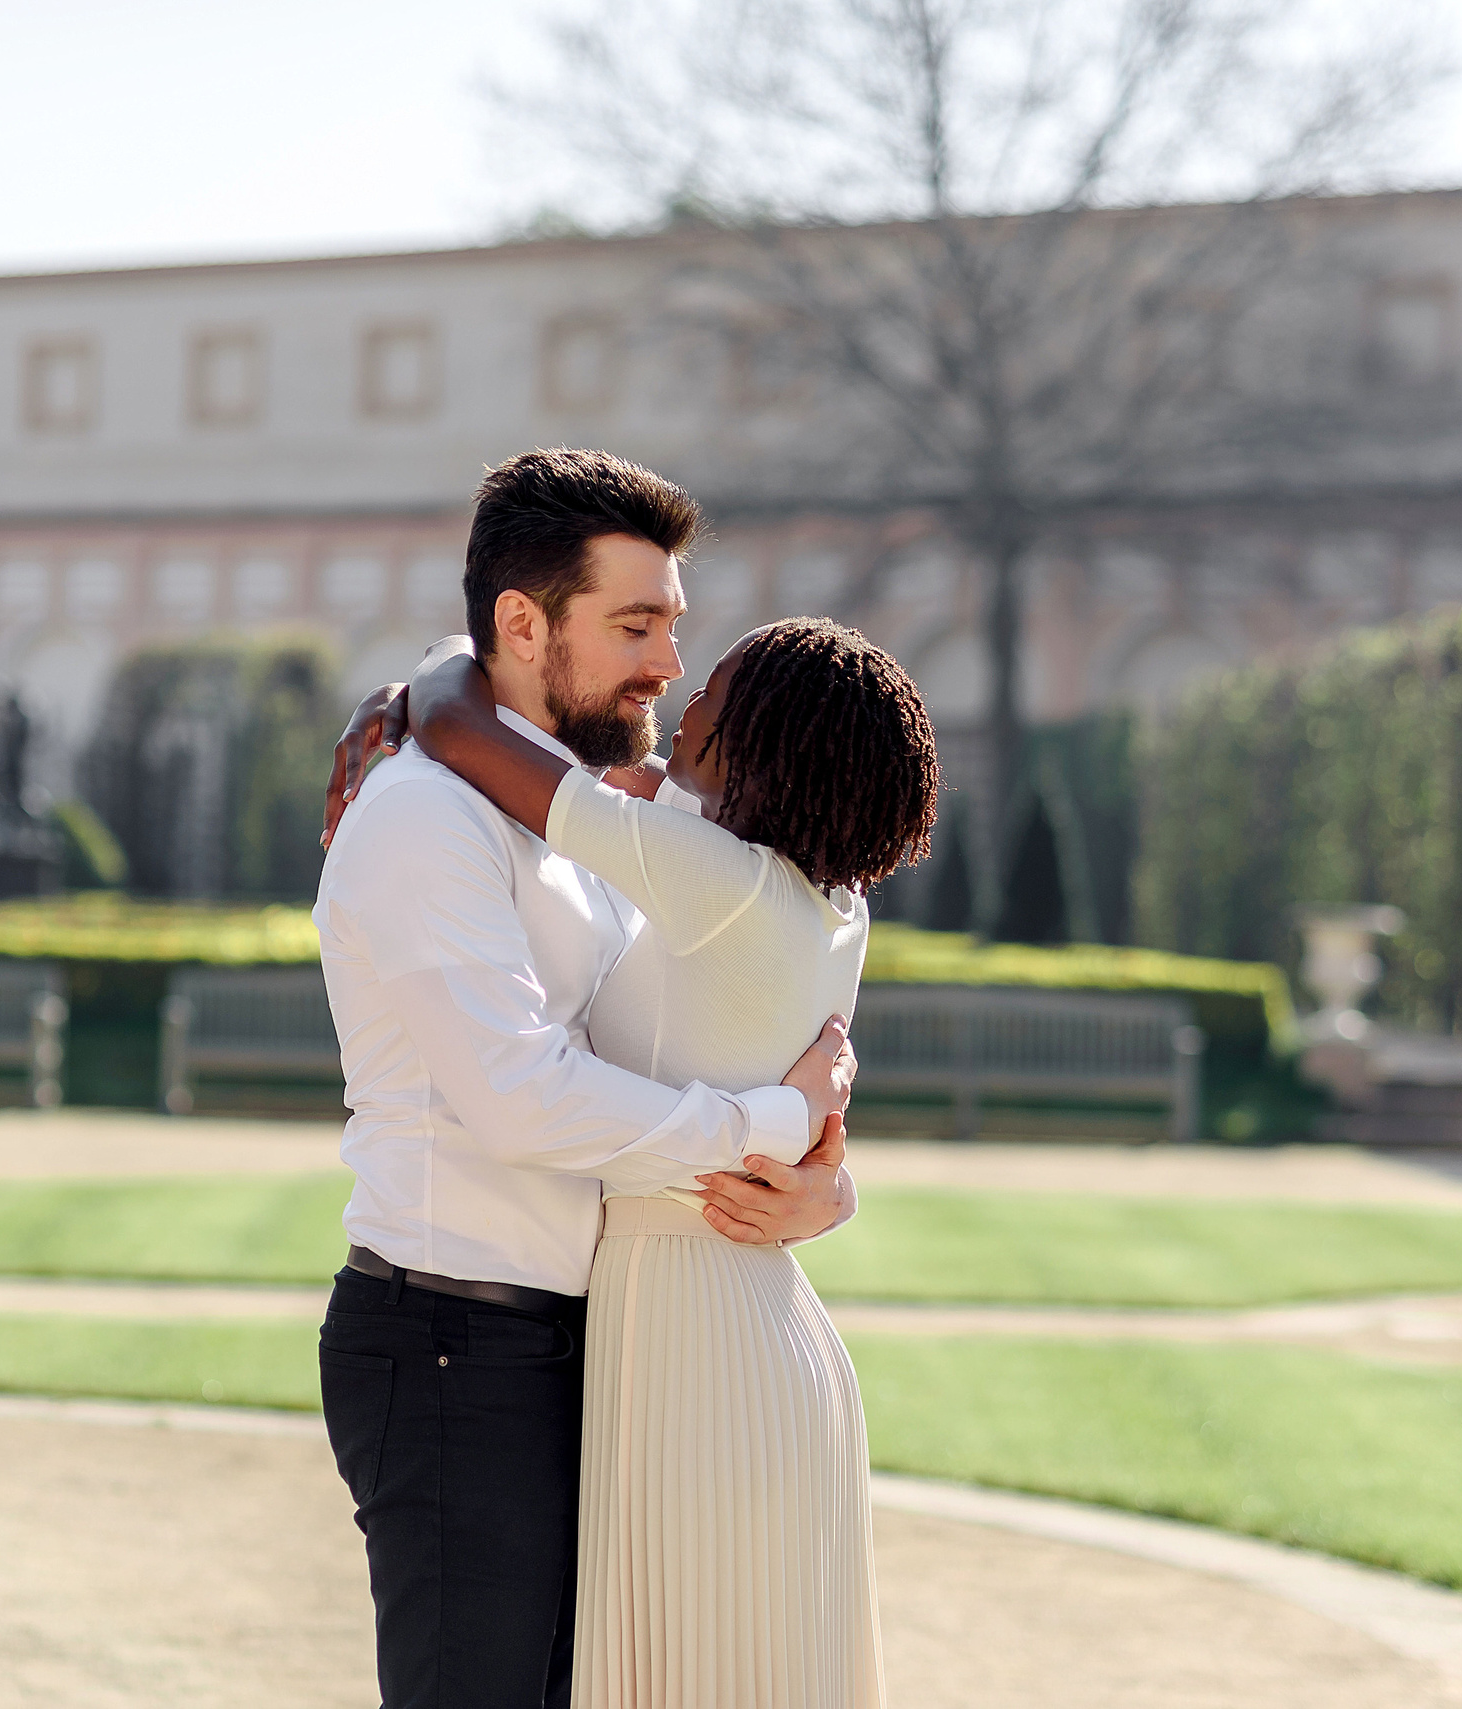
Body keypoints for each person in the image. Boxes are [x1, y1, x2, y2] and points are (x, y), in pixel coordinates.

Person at [312, 449, 862, 1709]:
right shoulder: (421, 817)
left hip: (592, 1348)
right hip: (455, 1343)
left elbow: (707, 1016)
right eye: (634, 623)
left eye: (672, 623)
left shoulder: (592, 824)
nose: (668, 662)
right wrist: (769, 1119)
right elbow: (524, 1094)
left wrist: (817, 1179)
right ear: (520, 622)